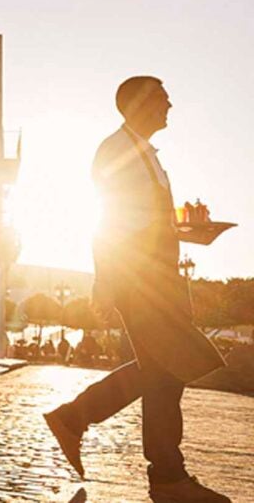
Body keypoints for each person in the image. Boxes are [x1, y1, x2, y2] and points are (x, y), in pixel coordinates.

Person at [43, 77, 228, 502]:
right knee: (169, 368)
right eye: (163, 97)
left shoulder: (148, 156)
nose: (170, 105)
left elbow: (149, 221)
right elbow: (107, 219)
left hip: (160, 279)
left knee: (162, 370)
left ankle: (75, 419)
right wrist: (104, 281)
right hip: (139, 282)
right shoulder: (116, 151)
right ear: (140, 103)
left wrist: (187, 230)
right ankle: (167, 478)